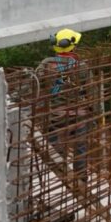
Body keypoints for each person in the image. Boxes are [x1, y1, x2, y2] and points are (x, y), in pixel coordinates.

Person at [37, 28, 89, 176]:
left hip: (54, 114)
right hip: (78, 114)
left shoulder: (46, 63)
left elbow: (36, 83)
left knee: (52, 144)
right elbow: (90, 91)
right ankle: (81, 176)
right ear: (72, 46)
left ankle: (58, 169)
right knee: (80, 145)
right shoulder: (82, 66)